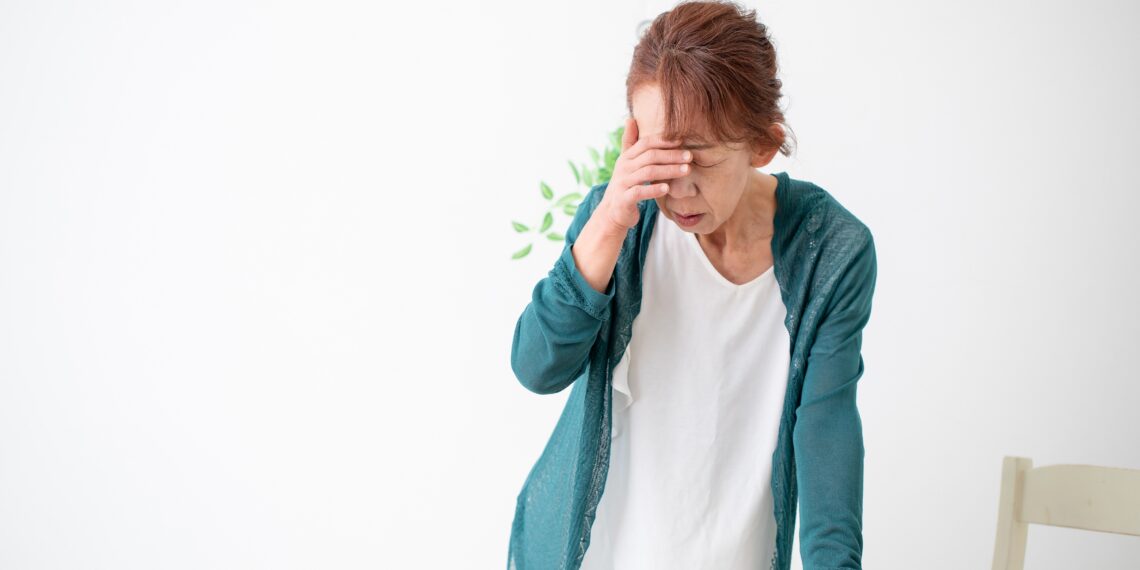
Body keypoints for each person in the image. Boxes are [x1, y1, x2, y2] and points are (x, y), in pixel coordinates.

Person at [507, 2, 877, 569]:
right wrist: (608, 221)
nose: (677, 190)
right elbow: (537, 367)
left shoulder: (830, 250)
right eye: (659, 156)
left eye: (699, 159)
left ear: (762, 144)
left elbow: (827, 430)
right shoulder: (620, 225)